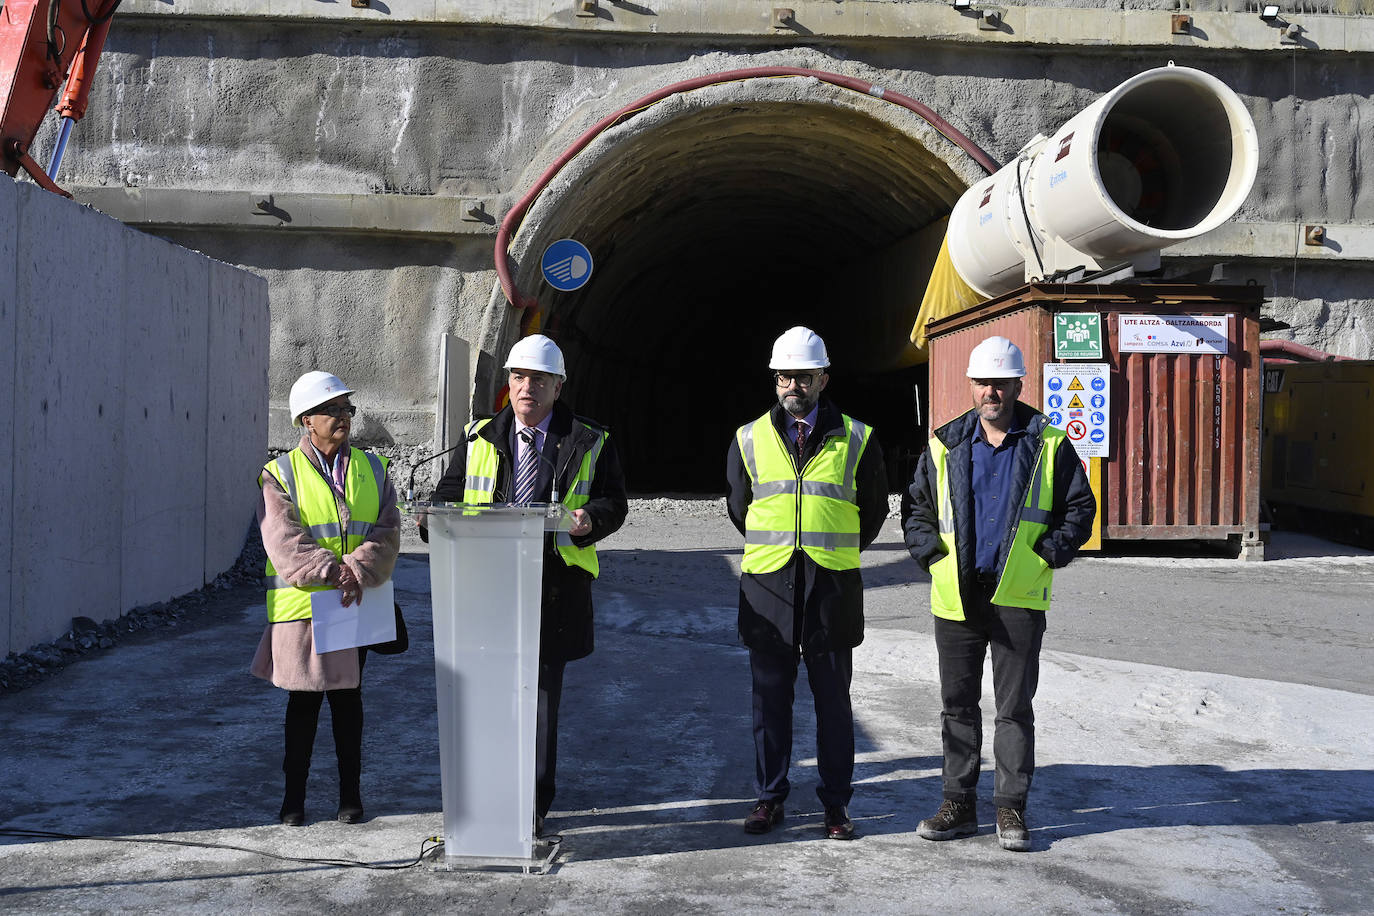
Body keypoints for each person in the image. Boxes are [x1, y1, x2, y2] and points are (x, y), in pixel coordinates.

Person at [901, 335, 1095, 851]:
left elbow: (1080, 508)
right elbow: (916, 509)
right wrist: (932, 557)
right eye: (984, 382)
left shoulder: (1048, 442)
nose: (992, 391)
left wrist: (1045, 554)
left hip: (1018, 597)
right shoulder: (944, 445)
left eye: (1002, 382)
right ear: (971, 385)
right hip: (958, 596)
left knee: (1014, 709)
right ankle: (958, 804)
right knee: (957, 705)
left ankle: (1010, 808)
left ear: (1017, 385)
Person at [428, 334, 627, 836]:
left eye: (539, 380)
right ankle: (489, 795)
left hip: (552, 590)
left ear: (558, 387)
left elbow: (613, 503)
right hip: (486, 588)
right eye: (519, 378)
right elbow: (447, 496)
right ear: (508, 385)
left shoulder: (589, 439)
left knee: (539, 702)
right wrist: (430, 521)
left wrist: (587, 520)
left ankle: (532, 807)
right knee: (486, 697)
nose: (526, 389)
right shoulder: (477, 437)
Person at [725, 326, 887, 841]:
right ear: (774, 379)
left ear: (823, 379)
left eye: (803, 376)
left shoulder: (858, 437)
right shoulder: (748, 438)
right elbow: (738, 507)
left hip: (831, 589)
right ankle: (769, 798)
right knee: (769, 703)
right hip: (768, 589)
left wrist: (832, 550)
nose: (793, 384)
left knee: (833, 705)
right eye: (784, 376)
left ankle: (836, 806)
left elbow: (875, 509)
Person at [251, 371, 401, 826]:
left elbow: (388, 529)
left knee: (348, 701)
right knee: (303, 704)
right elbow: (283, 539)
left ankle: (349, 797)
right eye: (332, 410)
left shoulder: (374, 469)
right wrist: (333, 571)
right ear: (305, 421)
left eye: (346, 409)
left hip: (352, 604)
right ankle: (293, 800)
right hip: (303, 609)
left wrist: (357, 569)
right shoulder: (278, 475)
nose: (342, 417)